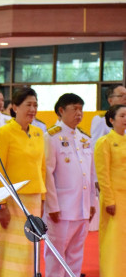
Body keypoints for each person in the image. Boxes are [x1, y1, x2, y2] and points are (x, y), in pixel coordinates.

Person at [0, 87, 46, 276]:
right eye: (28, 105)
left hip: (35, 198)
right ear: (15, 107)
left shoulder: (39, 133)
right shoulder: (3, 133)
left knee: (32, 247)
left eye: (35, 105)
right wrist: (2, 205)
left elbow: (42, 167)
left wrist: (43, 198)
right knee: (14, 250)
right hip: (13, 200)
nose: (32, 109)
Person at [44, 93, 96, 277]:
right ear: (61, 110)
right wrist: (52, 206)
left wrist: (91, 203)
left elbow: (89, 175)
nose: (79, 113)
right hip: (61, 209)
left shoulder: (84, 139)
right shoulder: (51, 137)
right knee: (56, 256)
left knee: (75, 255)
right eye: (74, 108)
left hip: (81, 208)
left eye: (81, 109)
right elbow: (47, 173)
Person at [94, 104, 126, 277]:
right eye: (122, 116)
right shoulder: (105, 142)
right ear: (111, 120)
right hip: (114, 198)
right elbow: (103, 174)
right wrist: (109, 200)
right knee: (114, 240)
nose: (125, 119)